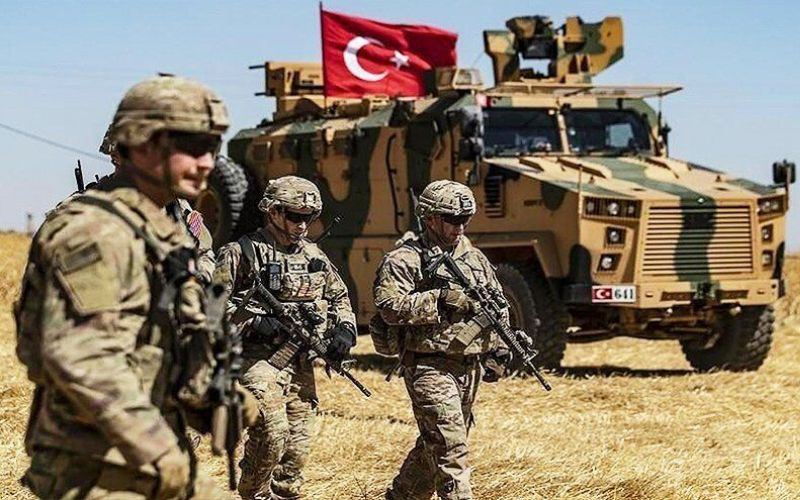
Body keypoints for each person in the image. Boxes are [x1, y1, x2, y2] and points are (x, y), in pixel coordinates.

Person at [14, 75, 255, 499]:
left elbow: (167, 331)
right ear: (142, 145)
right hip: (95, 462)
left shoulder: (166, 227)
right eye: (193, 147)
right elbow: (80, 358)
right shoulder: (93, 231)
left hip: (149, 441)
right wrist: (159, 451)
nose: (207, 163)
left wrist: (211, 398)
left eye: (213, 148)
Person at [214, 175, 357, 500]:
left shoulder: (314, 256)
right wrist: (254, 320)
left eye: (309, 217)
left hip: (300, 364)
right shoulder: (242, 252)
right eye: (295, 216)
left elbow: (339, 298)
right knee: (272, 433)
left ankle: (286, 493)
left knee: (297, 447)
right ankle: (255, 494)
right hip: (257, 361)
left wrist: (344, 331)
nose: (303, 224)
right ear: (274, 212)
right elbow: (210, 309)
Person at [374, 180, 512, 500]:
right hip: (428, 365)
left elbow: (497, 304)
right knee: (451, 451)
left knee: (434, 445)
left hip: (469, 366)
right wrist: (440, 299)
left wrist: (502, 347)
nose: (459, 227)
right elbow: (388, 307)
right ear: (430, 218)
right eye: (452, 219)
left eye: (465, 220)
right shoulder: (405, 259)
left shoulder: (474, 257)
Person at [99, 125, 217, 285]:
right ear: (115, 156)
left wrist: (198, 278)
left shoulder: (174, 204)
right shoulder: (91, 202)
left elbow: (204, 251)